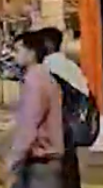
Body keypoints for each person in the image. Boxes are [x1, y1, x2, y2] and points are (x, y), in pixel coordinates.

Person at [4, 31, 63, 188]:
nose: (14, 55)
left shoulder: (34, 81)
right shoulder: (44, 76)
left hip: (40, 162)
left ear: (31, 52)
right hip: (47, 161)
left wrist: (13, 159)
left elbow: (29, 124)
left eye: (17, 50)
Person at [40, 27, 89, 188]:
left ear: (47, 44)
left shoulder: (46, 67)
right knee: (69, 166)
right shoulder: (71, 66)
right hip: (70, 125)